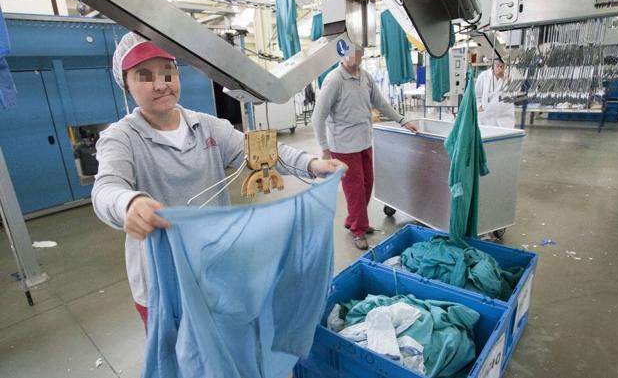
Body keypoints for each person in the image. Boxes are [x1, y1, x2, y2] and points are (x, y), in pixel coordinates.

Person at [92, 32, 345, 329]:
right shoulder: (121, 138)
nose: (160, 84)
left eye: (168, 72)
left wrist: (312, 164)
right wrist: (129, 203)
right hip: (164, 280)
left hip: (217, 268)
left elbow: (262, 152)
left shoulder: (207, 127)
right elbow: (105, 188)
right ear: (126, 83)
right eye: (144, 75)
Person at [311, 46, 418, 250]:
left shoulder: (365, 77)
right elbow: (318, 117)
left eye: (358, 51)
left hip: (364, 141)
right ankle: (358, 230)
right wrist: (325, 150)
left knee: (368, 183)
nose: (354, 56)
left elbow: (380, 103)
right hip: (343, 145)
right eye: (350, 52)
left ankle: (353, 219)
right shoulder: (334, 80)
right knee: (355, 190)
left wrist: (402, 121)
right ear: (342, 54)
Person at [475, 59, 516, 129]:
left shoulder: (511, 75)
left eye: (502, 66)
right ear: (493, 65)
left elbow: (515, 93)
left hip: (505, 119)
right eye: (497, 65)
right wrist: (479, 107)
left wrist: (504, 78)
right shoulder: (483, 76)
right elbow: (476, 95)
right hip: (486, 119)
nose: (500, 67)